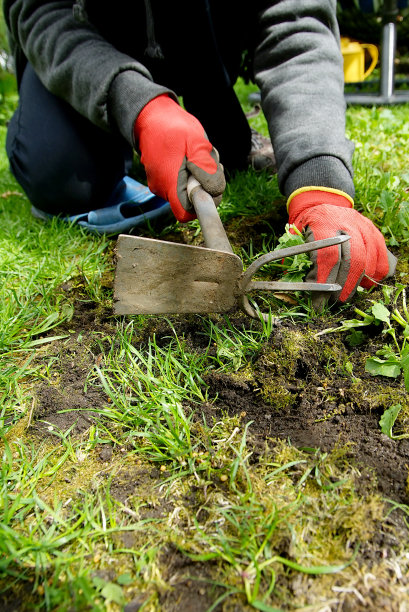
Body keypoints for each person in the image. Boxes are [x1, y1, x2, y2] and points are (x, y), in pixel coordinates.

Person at [3, 0, 396, 306]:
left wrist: (319, 180)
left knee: (227, 148)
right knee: (59, 169)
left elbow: (297, 25)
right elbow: (38, 11)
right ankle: (128, 139)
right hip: (89, 42)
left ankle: (224, 126)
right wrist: (138, 106)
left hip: (203, 41)